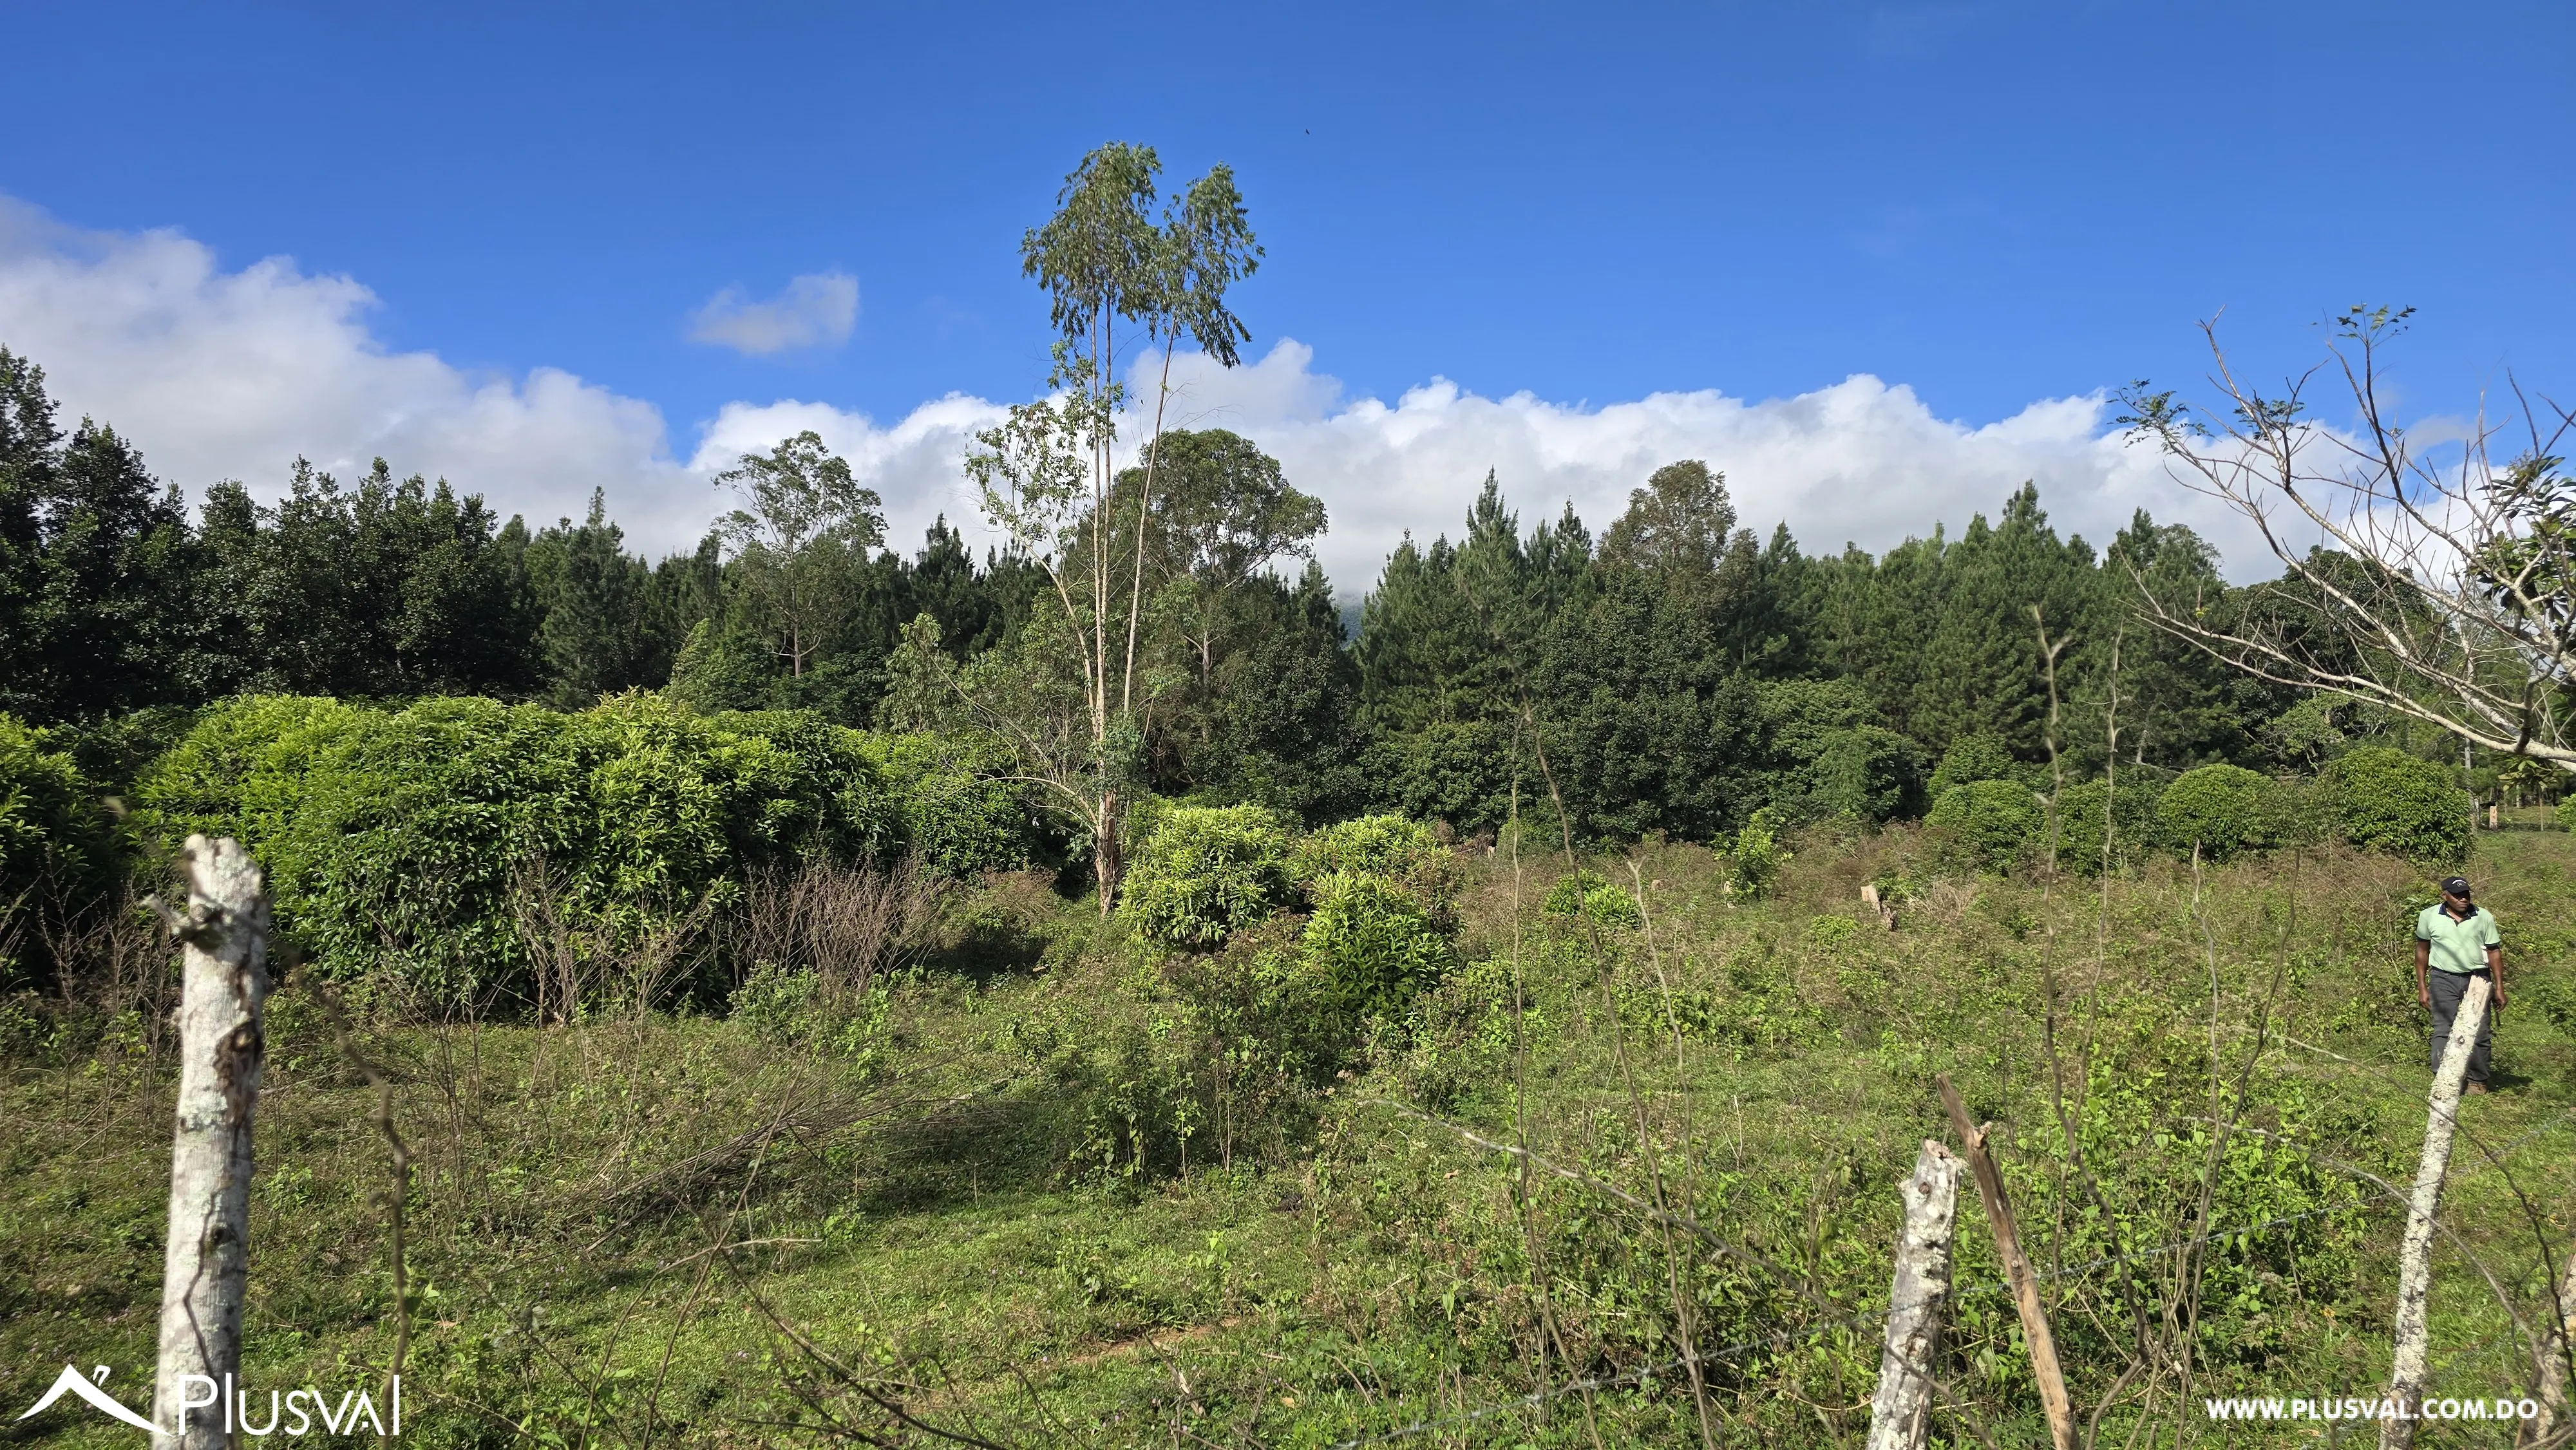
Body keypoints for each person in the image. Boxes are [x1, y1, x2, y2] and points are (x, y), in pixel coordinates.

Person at [2414, 874, 2505, 1094]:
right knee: (2443, 1030)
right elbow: (2422, 951)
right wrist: (2422, 987)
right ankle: (2445, 1079)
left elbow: (2494, 951)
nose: (2463, 899)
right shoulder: (2429, 916)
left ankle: (2477, 1081)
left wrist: (2499, 987)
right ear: (2444, 896)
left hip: (2478, 979)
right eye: (2457, 896)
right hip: (2442, 978)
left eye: (2466, 895)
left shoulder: (2483, 917)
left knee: (2480, 1031)